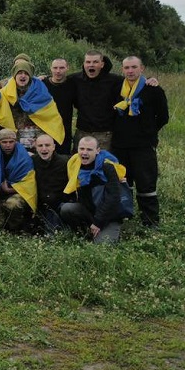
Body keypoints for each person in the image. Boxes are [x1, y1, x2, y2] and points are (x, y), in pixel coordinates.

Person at [110, 56, 168, 228]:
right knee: (122, 184)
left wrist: (148, 131)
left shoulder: (154, 90)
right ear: (122, 70)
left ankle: (150, 223)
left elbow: (163, 117)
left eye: (134, 67)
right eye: (126, 67)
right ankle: (122, 219)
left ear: (142, 68)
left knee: (146, 184)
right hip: (119, 146)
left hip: (143, 146)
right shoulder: (116, 89)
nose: (130, 71)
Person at [60, 136, 128, 244]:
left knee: (102, 246)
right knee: (66, 208)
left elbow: (113, 198)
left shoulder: (107, 166)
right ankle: (85, 233)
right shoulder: (74, 164)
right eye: (81, 149)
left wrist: (98, 222)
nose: (84, 153)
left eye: (89, 149)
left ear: (97, 151)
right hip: (90, 212)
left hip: (109, 215)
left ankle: (104, 231)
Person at [1, 56, 65, 151]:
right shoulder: (5, 93)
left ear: (30, 75)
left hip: (37, 141)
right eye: (20, 73)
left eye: (26, 73)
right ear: (14, 75)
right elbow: (0, 115)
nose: (23, 76)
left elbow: (49, 117)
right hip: (13, 141)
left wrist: (40, 140)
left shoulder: (41, 91)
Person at [31, 133, 70, 236]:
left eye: (47, 145)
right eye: (40, 146)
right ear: (35, 147)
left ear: (53, 147)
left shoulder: (65, 162)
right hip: (39, 206)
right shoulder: (31, 161)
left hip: (59, 206)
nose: (44, 149)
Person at [44, 58, 75, 153]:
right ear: (51, 69)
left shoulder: (73, 84)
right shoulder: (43, 84)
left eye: (61, 68)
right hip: (46, 129)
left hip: (64, 130)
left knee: (62, 161)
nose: (58, 71)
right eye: (55, 68)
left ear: (67, 68)